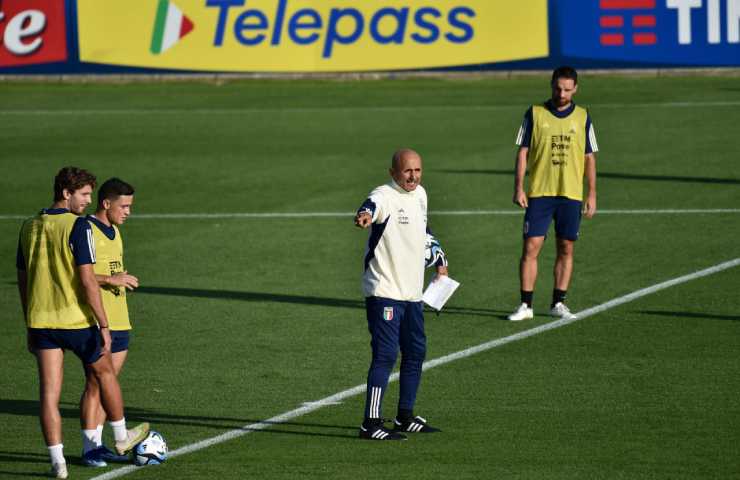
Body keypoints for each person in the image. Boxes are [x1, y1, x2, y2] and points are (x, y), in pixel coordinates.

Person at [16, 167, 149, 479]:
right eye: (85, 194)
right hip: (74, 319)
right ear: (66, 193)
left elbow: (23, 280)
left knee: (49, 393)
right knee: (104, 375)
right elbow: (87, 280)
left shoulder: (28, 226)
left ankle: (58, 464)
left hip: (40, 321)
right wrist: (103, 325)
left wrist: (28, 323)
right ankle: (119, 436)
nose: (88, 201)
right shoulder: (77, 227)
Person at [354, 148, 448, 441]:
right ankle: (370, 424)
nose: (413, 176)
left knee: (416, 353)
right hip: (384, 291)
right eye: (407, 171)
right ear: (393, 172)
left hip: (411, 293)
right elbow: (371, 205)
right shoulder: (384, 195)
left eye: (417, 170)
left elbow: (425, 230)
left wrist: (440, 258)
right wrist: (365, 215)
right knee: (385, 355)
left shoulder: (421, 195)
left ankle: (404, 417)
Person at [508, 66, 598, 322]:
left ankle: (558, 302)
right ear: (551, 85)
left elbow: (589, 157)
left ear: (576, 89)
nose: (562, 93)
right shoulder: (535, 114)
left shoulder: (583, 117)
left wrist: (592, 194)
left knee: (566, 247)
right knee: (531, 246)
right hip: (540, 192)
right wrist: (518, 187)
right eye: (558, 88)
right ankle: (526, 305)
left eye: (567, 89)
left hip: (571, 193)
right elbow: (523, 152)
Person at [79, 178, 139, 467]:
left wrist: (118, 278)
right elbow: (79, 274)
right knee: (96, 382)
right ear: (106, 203)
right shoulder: (86, 229)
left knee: (108, 384)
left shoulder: (115, 231)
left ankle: (98, 444)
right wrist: (110, 279)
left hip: (120, 319)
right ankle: (89, 448)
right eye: (124, 206)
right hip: (97, 320)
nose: (128, 212)